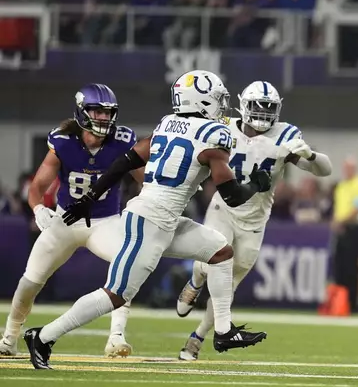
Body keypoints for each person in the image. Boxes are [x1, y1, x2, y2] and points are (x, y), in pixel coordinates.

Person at [22, 70, 272, 369]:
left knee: (220, 251)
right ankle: (43, 336)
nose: (221, 105)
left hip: (164, 219)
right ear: (203, 100)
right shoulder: (213, 136)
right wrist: (256, 184)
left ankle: (222, 331)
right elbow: (231, 195)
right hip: (149, 222)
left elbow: (126, 161)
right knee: (115, 295)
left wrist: (89, 199)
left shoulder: (168, 123)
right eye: (218, 99)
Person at [175, 80, 332, 361]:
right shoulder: (223, 126)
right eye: (257, 105)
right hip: (223, 209)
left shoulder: (285, 136)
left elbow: (324, 170)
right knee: (213, 261)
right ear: (243, 106)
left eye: (268, 107)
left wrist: (309, 154)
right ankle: (196, 280)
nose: (262, 112)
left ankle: (197, 335)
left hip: (256, 219)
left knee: (229, 285)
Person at [0, 84, 140, 358]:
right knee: (30, 282)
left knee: (128, 266)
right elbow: (37, 186)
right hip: (65, 221)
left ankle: (116, 336)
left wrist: (144, 202)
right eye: (97, 111)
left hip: (105, 221)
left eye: (107, 112)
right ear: (82, 111)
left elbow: (145, 181)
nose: (102, 118)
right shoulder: (63, 140)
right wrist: (38, 207)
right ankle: (9, 337)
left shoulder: (123, 140)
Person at [331, 156, 358, 313]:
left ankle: (352, 303)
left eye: (350, 168)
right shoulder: (341, 185)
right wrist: (335, 222)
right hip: (341, 229)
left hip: (354, 229)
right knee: (339, 267)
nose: (347, 171)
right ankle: (339, 302)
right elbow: (339, 207)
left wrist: (341, 221)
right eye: (345, 168)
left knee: (352, 268)